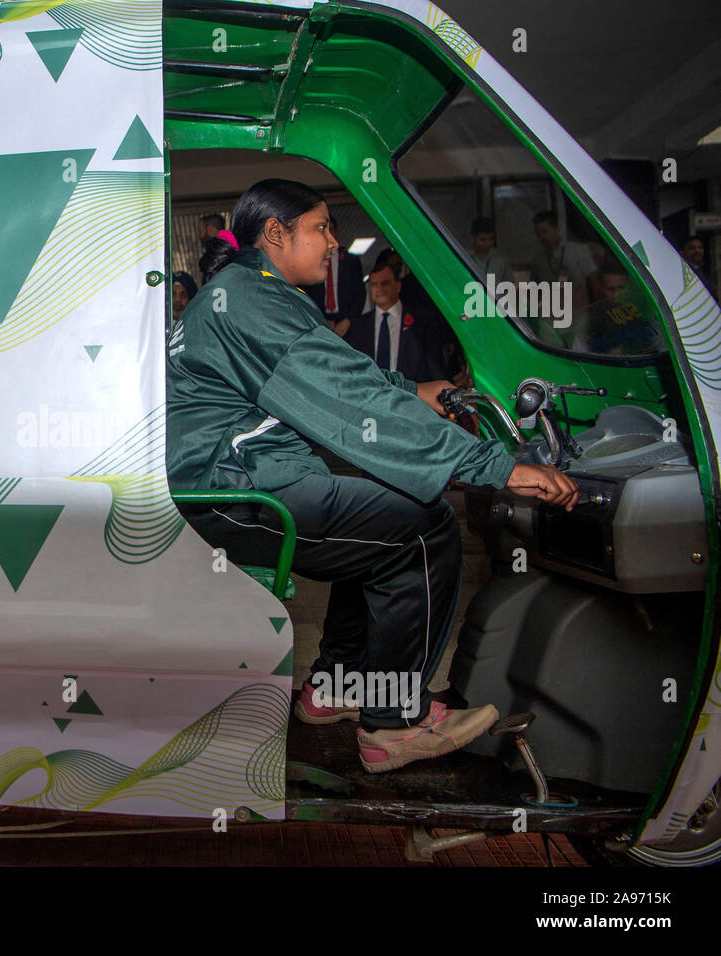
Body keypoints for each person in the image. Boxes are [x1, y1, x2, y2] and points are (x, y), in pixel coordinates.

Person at [166, 178, 579, 773]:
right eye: (322, 228)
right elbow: (348, 397)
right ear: (276, 233)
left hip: (241, 478)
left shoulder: (252, 291)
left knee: (381, 513)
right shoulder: (250, 299)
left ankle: (334, 687)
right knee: (423, 528)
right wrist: (497, 466)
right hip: (239, 493)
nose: (334, 242)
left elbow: (340, 373)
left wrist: (416, 391)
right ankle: (395, 723)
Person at [344, 262, 448, 382]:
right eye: (374, 284)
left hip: (413, 395)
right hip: (373, 394)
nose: (379, 289)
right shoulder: (358, 326)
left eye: (385, 283)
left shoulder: (423, 321)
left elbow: (435, 366)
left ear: (398, 286)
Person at [304, 216, 364, 336]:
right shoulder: (311, 261)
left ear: (336, 231)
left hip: (347, 322)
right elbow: (307, 294)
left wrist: (349, 320)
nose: (327, 233)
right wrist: (321, 318)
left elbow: (360, 293)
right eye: (322, 229)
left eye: (330, 229)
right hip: (321, 320)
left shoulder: (350, 261)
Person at [529, 209, 596, 308]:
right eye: (538, 234)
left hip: (578, 312)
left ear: (557, 229)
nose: (542, 237)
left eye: (545, 232)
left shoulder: (579, 251)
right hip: (550, 315)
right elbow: (534, 290)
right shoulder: (538, 260)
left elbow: (594, 283)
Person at [469, 216, 513, 285]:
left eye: (491, 239)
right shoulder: (464, 256)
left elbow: (509, 288)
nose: (488, 243)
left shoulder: (502, 259)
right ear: (472, 238)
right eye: (483, 240)